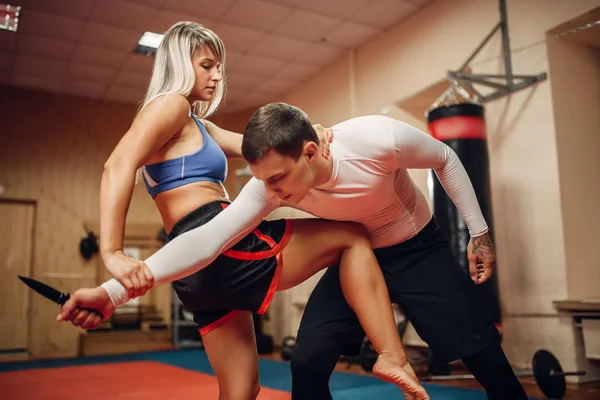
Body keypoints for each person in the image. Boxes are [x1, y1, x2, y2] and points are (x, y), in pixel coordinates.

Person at [60, 21, 430, 400]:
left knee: (241, 390)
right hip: (220, 243)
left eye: (220, 67)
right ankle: (392, 355)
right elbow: (116, 166)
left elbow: (270, 148)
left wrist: (310, 134)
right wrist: (113, 253)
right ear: (179, 63)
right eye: (207, 65)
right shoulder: (170, 105)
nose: (218, 76)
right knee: (351, 237)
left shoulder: (199, 126)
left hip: (194, 272)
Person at [63, 100, 529, 400]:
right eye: (262, 179)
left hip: (416, 248)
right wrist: (113, 291)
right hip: (358, 255)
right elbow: (207, 239)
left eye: (278, 178)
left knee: (483, 354)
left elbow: (446, 159)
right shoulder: (270, 187)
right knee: (306, 362)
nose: (270, 193)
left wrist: (479, 233)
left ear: (311, 151)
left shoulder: (374, 138)